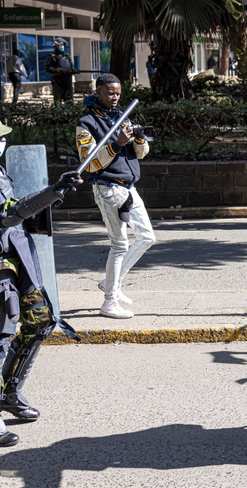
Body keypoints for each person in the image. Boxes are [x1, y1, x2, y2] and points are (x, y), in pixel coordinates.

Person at [0, 111, 81, 446]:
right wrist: (53, 190)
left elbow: (16, 212)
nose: (2, 143)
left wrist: (51, 195)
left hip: (17, 253)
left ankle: (8, 393)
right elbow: (6, 213)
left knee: (41, 321)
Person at [76, 73, 155, 320]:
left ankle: (112, 282)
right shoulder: (86, 122)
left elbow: (140, 154)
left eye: (118, 93)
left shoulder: (122, 117)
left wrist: (139, 139)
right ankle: (109, 301)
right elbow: (88, 162)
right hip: (107, 187)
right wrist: (116, 144)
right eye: (110, 93)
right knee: (119, 244)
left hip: (129, 187)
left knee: (147, 237)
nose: (115, 97)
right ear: (97, 91)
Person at [45, 38, 77, 103]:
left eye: (63, 45)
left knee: (69, 103)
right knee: (58, 104)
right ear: (56, 46)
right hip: (57, 84)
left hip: (68, 83)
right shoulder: (52, 56)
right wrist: (60, 70)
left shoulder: (67, 56)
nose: (62, 47)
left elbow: (71, 67)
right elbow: (47, 68)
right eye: (60, 45)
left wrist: (73, 71)